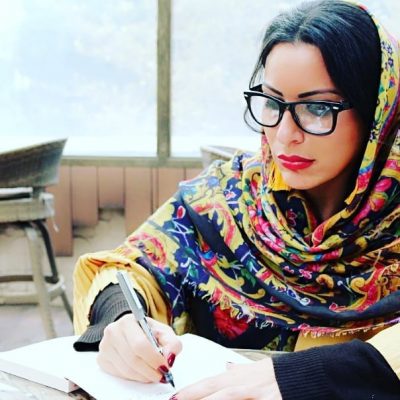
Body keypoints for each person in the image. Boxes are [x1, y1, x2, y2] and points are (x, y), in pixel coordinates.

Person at [72, 0, 400, 398]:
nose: (284, 135)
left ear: (378, 111)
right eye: (273, 103)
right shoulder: (227, 197)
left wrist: (306, 377)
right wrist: (122, 320)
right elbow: (133, 267)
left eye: (316, 108)